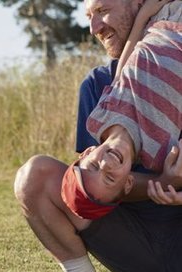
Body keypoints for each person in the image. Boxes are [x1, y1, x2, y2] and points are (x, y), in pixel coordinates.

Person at [14, 0, 182, 272]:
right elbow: (100, 188)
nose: (94, 28)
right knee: (34, 177)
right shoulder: (98, 87)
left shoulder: (136, 74)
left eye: (102, 10)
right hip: (140, 245)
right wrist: (166, 181)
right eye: (88, 17)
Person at [61, 0, 181, 220]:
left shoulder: (99, 117)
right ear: (128, 182)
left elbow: (122, 67)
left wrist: (143, 15)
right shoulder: (162, 154)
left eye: (95, 165)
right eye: (109, 178)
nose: (106, 163)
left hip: (161, 23)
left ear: (89, 152)